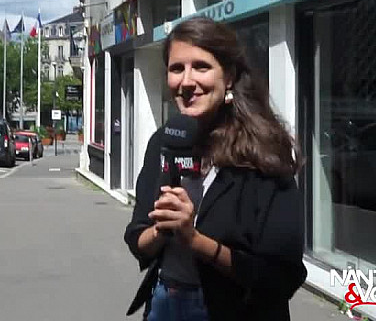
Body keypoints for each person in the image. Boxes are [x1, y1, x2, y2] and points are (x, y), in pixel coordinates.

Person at [124, 16, 307, 321]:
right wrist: (161, 230)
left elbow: (281, 276)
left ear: (229, 76)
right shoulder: (163, 142)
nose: (187, 82)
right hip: (164, 303)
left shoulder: (264, 154)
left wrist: (194, 239)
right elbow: (137, 238)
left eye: (201, 67)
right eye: (177, 69)